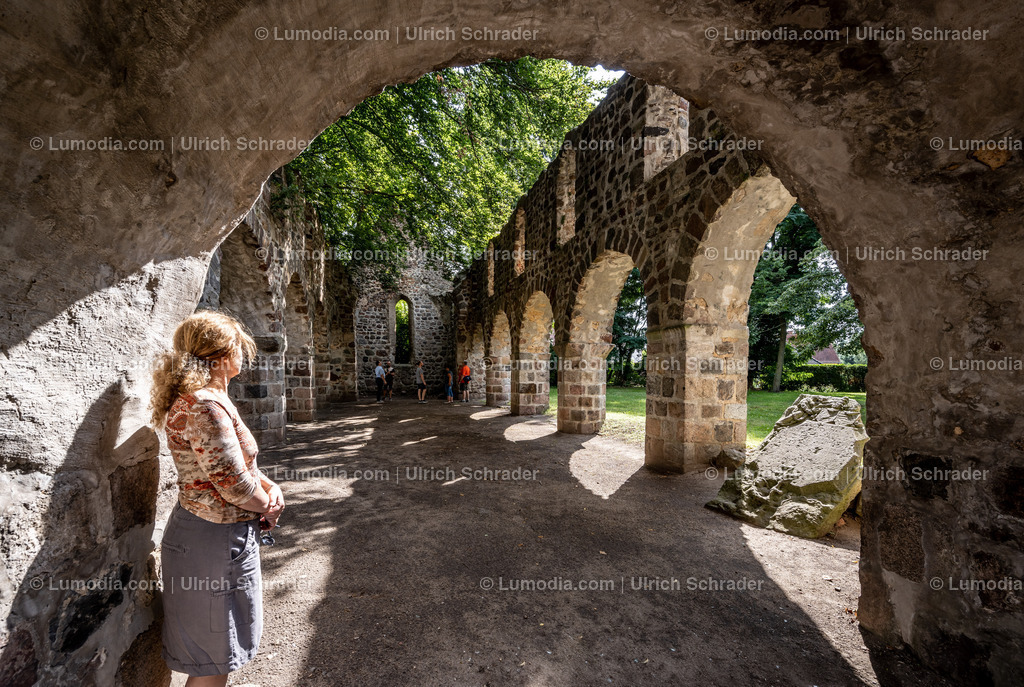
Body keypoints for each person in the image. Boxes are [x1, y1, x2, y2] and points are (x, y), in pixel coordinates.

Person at [150, 310, 284, 687]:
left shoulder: (210, 400)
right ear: (223, 354)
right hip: (211, 538)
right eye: (240, 346)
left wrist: (270, 487)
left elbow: (239, 466)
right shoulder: (204, 405)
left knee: (218, 653)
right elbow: (234, 486)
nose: (244, 353)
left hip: (219, 534)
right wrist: (269, 504)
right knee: (213, 658)